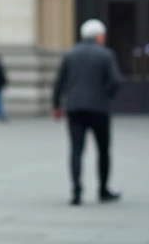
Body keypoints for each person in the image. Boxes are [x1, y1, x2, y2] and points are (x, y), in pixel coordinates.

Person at [52, 19, 122, 206]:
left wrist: (56, 106)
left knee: (76, 150)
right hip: (99, 108)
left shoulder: (70, 54)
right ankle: (103, 190)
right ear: (99, 36)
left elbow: (59, 82)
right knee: (103, 150)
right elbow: (115, 81)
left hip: (74, 108)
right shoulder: (106, 54)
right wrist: (105, 95)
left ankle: (76, 192)